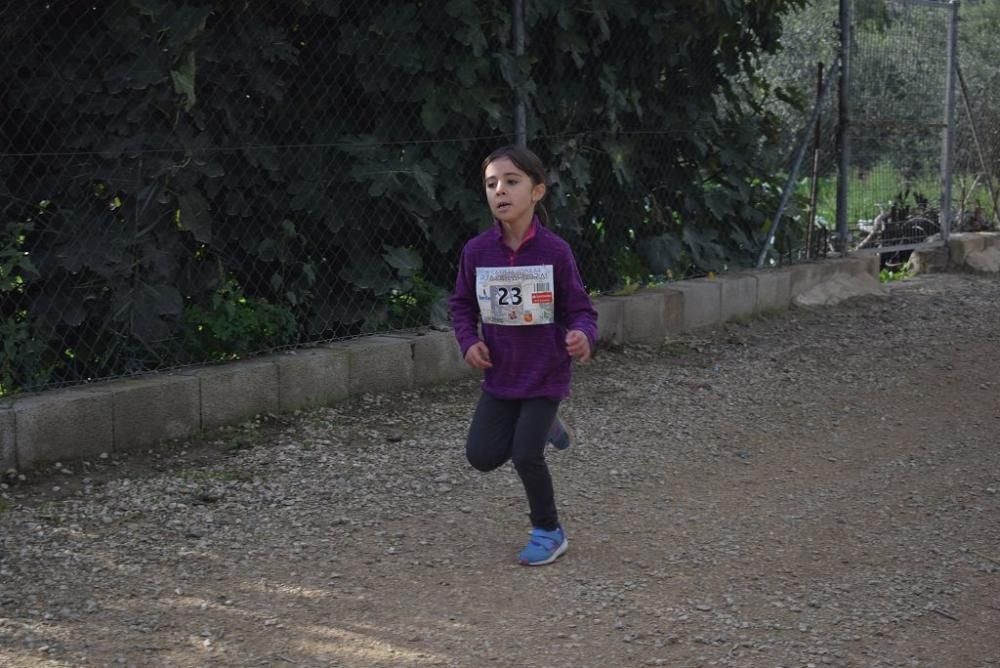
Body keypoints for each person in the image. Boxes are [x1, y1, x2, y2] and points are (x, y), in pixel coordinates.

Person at [449, 144, 598, 566]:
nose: (500, 191)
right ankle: (546, 425)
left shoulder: (555, 252)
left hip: (546, 372)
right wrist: (468, 340)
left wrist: (582, 336)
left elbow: (581, 310)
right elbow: (460, 304)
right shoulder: (477, 252)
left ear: (537, 192)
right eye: (491, 183)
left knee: (524, 454)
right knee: (481, 456)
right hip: (502, 375)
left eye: (511, 182)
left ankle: (549, 531)